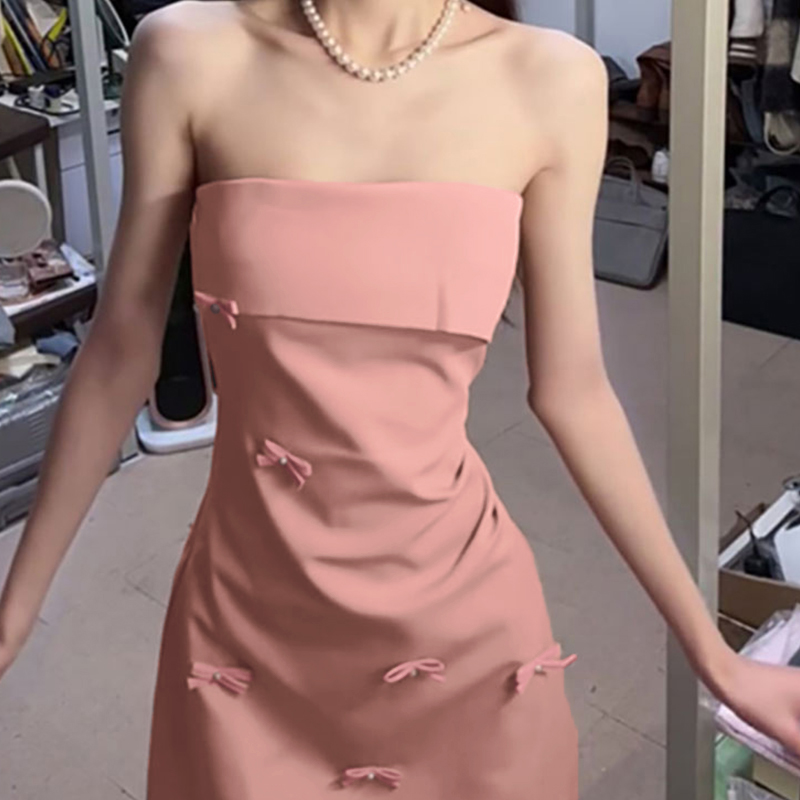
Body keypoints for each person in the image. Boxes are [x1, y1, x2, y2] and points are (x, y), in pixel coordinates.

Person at [1, 0, 800, 796]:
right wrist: (15, 613)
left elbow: (575, 391)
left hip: (461, 630)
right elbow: (119, 351)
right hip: (248, 628)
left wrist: (713, 654)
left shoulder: (551, 80)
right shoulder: (188, 53)